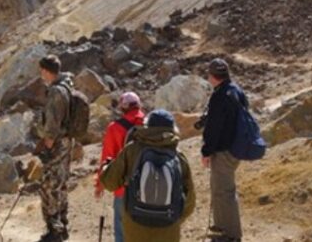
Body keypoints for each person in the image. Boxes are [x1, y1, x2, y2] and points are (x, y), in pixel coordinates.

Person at [99, 109, 195, 242]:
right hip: (168, 229)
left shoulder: (132, 149)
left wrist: (105, 167)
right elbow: (190, 202)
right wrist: (174, 218)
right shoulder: (178, 156)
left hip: (135, 225)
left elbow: (110, 182)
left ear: (147, 126)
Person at [200, 58, 245, 241]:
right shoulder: (235, 91)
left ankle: (231, 234)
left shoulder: (220, 96)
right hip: (235, 147)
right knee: (219, 189)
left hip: (224, 150)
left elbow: (215, 127)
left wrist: (206, 151)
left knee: (224, 191)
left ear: (212, 76)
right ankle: (221, 226)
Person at [95, 92, 145, 242]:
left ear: (123, 109)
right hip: (149, 185)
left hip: (123, 187)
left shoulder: (114, 128)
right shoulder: (150, 125)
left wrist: (100, 184)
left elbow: (107, 158)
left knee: (121, 228)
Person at [35, 54, 74, 242]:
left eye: (41, 71)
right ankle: (62, 225)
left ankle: (54, 230)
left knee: (49, 185)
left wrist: (46, 147)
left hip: (57, 144)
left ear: (46, 70)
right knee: (61, 183)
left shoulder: (55, 92)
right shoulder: (67, 86)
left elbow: (52, 124)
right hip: (67, 142)